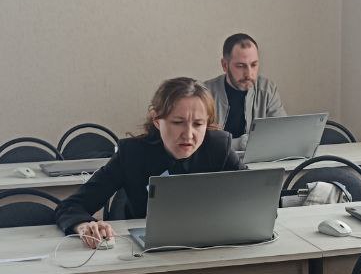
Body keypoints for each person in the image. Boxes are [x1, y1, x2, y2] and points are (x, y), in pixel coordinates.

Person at [55, 77, 242, 247]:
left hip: (209, 246)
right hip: (145, 252)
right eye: (178, 122)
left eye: (198, 124)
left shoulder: (219, 147)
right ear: (157, 120)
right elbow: (70, 206)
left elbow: (253, 196)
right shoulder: (132, 154)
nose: (189, 134)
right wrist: (84, 225)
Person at [200, 33, 286, 150]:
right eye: (240, 66)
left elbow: (282, 134)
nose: (249, 74)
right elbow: (197, 142)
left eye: (254, 65)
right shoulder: (204, 93)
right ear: (225, 65)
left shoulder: (267, 90)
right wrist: (239, 143)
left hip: (257, 160)